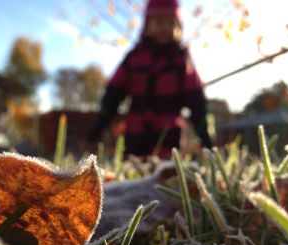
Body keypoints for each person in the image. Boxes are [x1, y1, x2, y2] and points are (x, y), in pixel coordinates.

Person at [87, 0, 213, 157]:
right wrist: (102, 119)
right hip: (135, 129)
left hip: (169, 131)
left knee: (167, 171)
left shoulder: (181, 60)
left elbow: (195, 98)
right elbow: (115, 91)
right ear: (147, 26)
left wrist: (203, 131)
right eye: (159, 22)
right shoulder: (134, 58)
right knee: (134, 167)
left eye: (171, 23)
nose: (166, 27)